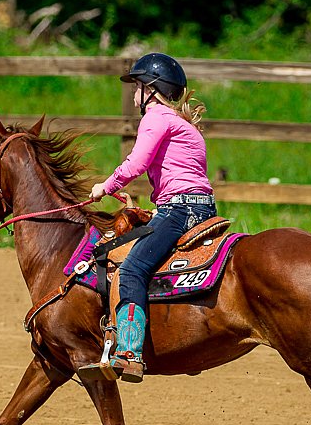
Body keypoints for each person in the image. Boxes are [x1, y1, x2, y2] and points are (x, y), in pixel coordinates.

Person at [89, 52, 216, 383]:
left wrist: (106, 186)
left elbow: (136, 164)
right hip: (200, 207)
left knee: (132, 269)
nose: (133, 95)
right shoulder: (182, 123)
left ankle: (130, 352)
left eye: (136, 87)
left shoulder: (156, 117)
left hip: (180, 210)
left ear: (151, 89)